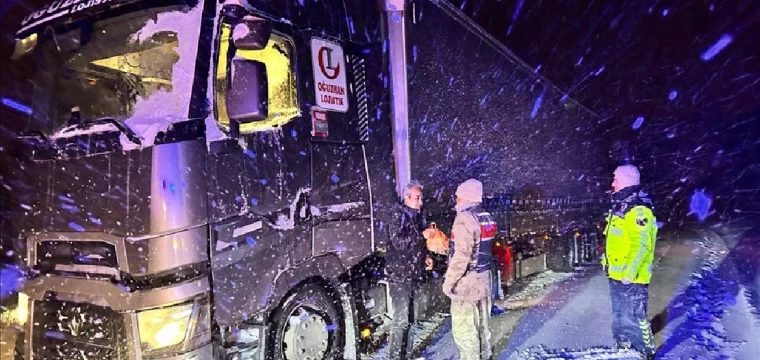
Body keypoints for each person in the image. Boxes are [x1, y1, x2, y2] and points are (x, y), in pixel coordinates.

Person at [602, 165, 658, 359]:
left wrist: (629, 273)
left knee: (635, 317)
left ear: (626, 180)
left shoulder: (638, 209)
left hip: (630, 277)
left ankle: (644, 352)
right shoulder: (622, 206)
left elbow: (642, 245)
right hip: (617, 275)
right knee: (620, 315)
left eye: (615, 179)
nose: (612, 183)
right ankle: (624, 348)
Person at [443, 179, 496, 360]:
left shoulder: (464, 219)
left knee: (465, 333)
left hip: (466, 285)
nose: (456, 200)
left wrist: (449, 283)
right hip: (483, 280)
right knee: (483, 328)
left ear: (465, 197)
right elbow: (478, 248)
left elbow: (462, 256)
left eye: (458, 196)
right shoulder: (486, 216)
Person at [386, 180, 434, 360]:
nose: (421, 202)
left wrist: (426, 257)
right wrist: (421, 235)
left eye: (421, 198)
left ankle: (407, 355)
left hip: (414, 274)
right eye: (417, 198)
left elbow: (418, 246)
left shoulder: (416, 216)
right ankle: (396, 357)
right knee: (401, 320)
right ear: (406, 198)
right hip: (399, 276)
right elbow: (399, 244)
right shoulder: (397, 215)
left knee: (412, 319)